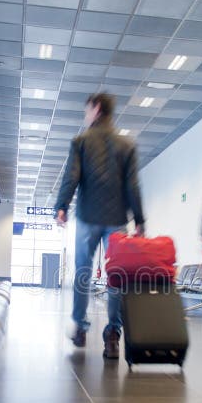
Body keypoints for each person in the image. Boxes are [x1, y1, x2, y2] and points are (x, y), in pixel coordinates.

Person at [54, 93, 145, 359]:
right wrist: (139, 220)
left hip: (87, 217)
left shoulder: (81, 141)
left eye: (87, 109)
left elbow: (71, 177)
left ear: (96, 109)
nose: (86, 114)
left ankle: (80, 328)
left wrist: (61, 207)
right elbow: (133, 185)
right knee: (116, 276)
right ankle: (113, 335)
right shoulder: (126, 145)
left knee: (82, 272)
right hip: (117, 220)